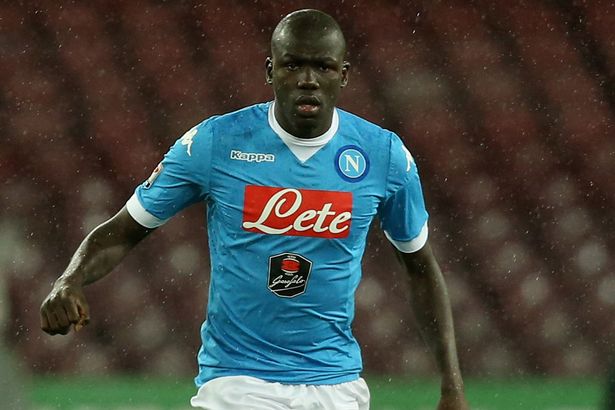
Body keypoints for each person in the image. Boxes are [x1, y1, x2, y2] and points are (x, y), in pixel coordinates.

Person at [40, 9, 469, 410]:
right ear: (270, 70)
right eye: (292, 65)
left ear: (344, 74)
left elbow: (419, 268)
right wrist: (70, 278)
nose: (307, 80)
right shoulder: (215, 143)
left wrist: (452, 384)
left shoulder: (384, 156)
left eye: (322, 67)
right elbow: (124, 230)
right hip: (238, 382)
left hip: (338, 385)